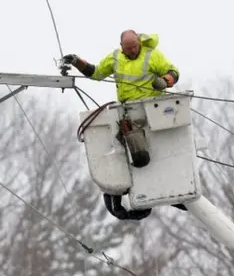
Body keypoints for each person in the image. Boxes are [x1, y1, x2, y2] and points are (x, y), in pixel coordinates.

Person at [63, 30, 187, 220]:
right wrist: (77, 61)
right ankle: (125, 192)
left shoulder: (151, 55)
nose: (131, 51)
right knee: (130, 153)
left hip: (152, 110)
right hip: (128, 113)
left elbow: (173, 72)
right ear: (121, 47)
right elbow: (95, 73)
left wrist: (164, 81)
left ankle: (173, 190)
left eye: (134, 47)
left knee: (159, 153)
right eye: (128, 49)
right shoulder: (115, 58)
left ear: (139, 42)